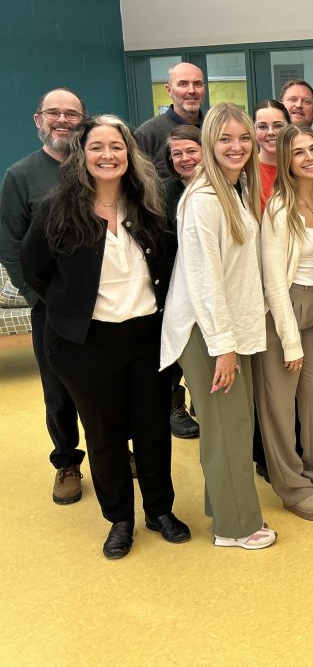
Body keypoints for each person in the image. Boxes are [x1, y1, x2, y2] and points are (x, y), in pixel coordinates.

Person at [21, 114, 187, 559]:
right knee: (105, 433)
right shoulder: (57, 209)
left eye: (117, 147)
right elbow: (35, 268)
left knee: (153, 430)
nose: (108, 155)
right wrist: (69, 308)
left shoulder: (149, 207)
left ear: (129, 155)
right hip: (86, 344)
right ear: (83, 155)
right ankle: (120, 519)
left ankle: (159, 511)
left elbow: (168, 268)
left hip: (147, 336)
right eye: (97, 147)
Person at [160, 102, 277, 550]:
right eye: (225, 138)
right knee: (227, 430)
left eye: (243, 138)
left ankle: (223, 508)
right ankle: (237, 527)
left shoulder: (234, 189)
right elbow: (204, 279)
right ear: (208, 142)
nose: (237, 146)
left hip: (226, 329)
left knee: (234, 426)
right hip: (209, 333)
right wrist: (223, 347)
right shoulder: (204, 201)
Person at [0, 87, 87, 504]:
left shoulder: (98, 166)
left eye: (72, 114)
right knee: (58, 388)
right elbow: (10, 243)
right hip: (50, 307)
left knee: (107, 383)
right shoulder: (21, 176)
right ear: (39, 120)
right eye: (54, 113)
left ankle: (115, 448)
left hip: (103, 304)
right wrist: (36, 297)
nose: (63, 121)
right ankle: (67, 462)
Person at [253, 123, 313, 521]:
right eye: (299, 152)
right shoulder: (278, 208)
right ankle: (291, 486)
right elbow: (273, 282)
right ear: (287, 162)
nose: (310, 158)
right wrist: (290, 343)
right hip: (282, 312)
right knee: (279, 406)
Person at [162, 124, 203, 440]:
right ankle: (176, 406)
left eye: (192, 150)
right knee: (179, 349)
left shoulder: (228, 187)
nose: (185, 158)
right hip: (173, 284)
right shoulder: (164, 193)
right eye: (177, 154)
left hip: (206, 284)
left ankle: (199, 401)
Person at [134, 62, 206, 174]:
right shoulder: (148, 133)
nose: (192, 90)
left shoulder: (214, 129)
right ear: (169, 90)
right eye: (183, 84)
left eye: (197, 84)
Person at [253, 99, 290, 211]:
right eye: (262, 127)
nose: (270, 132)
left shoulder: (300, 166)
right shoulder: (245, 169)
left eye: (278, 126)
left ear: (289, 127)